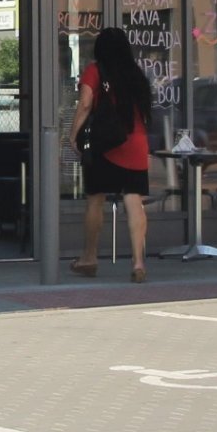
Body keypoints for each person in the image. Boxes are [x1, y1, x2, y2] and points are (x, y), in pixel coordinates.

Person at [68, 26, 152, 281]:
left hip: (106, 145)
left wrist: (72, 135)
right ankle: (138, 263)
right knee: (134, 201)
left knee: (95, 199)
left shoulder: (96, 70)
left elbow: (85, 104)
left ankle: (89, 257)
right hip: (136, 143)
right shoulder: (136, 74)